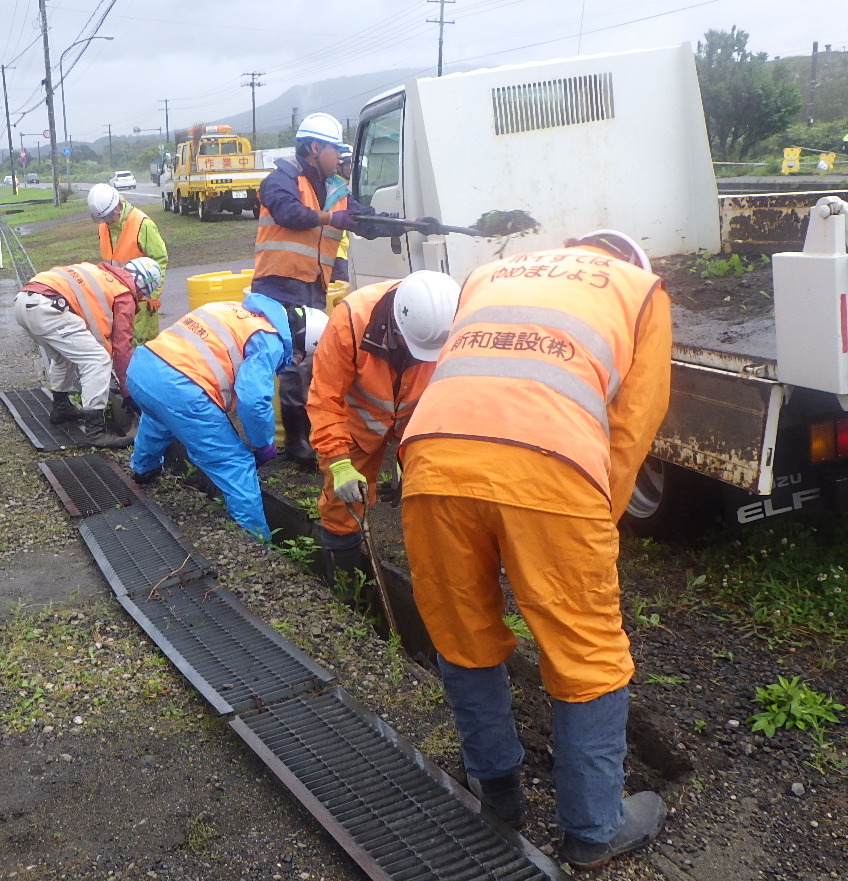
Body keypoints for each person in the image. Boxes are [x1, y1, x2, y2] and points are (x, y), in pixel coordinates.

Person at [399, 232, 671, 868]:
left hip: (433, 460)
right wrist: (596, 523)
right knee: (585, 653)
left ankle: (497, 795)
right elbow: (632, 427)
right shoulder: (640, 292)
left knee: (462, 631)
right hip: (552, 474)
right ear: (630, 261)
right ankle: (592, 832)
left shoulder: (490, 274)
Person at [252, 113, 408, 464]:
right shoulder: (280, 180)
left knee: (309, 359)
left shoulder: (337, 188)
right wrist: (329, 218)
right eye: (335, 149)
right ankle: (294, 442)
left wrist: (407, 226)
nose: (340, 156)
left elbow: (364, 221)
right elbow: (289, 214)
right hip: (278, 284)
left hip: (313, 286)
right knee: (292, 363)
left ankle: (306, 434)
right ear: (314, 147)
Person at [127, 295, 327, 541]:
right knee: (235, 463)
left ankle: (143, 469)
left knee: (159, 418)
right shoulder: (269, 340)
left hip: (142, 369)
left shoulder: (235, 310)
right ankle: (257, 542)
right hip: (180, 388)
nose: (295, 362)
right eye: (300, 357)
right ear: (301, 342)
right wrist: (262, 444)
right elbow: (253, 400)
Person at [307, 270, 459, 575]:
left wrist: (407, 460)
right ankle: (344, 582)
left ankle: (436, 573)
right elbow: (325, 397)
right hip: (356, 429)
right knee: (342, 505)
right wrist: (338, 462)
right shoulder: (351, 321)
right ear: (396, 322)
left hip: (415, 428)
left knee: (430, 498)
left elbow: (443, 400)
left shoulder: (450, 322)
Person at [13, 256, 163, 448]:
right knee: (97, 359)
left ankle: (61, 407)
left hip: (24, 302)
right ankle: (95, 432)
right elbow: (122, 348)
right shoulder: (124, 293)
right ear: (143, 287)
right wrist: (129, 393)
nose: (140, 300)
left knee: (62, 356)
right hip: (49, 307)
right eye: (142, 296)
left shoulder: (102, 275)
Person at [88, 182, 168, 344]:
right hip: (116, 298)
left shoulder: (142, 224)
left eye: (109, 217)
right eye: (102, 219)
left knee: (143, 346)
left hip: (141, 301)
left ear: (117, 206)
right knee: (121, 343)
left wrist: (153, 295)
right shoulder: (104, 227)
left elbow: (159, 259)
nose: (107, 221)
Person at [328, 144, 354, 284]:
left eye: (352, 164)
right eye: (347, 164)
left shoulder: (345, 186)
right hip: (334, 253)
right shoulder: (337, 189)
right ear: (339, 166)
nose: (350, 168)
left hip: (341, 251)